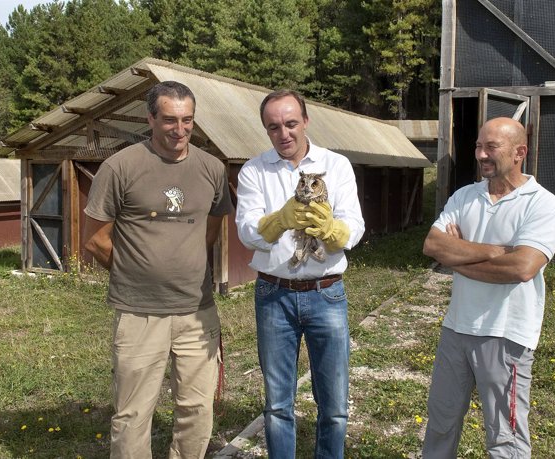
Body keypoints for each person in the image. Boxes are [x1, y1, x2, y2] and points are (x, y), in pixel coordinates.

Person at [82, 81, 234, 459]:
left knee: (198, 409)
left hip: (196, 311)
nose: (179, 130)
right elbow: (96, 240)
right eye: (169, 120)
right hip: (139, 313)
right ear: (150, 118)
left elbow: (211, 229)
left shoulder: (212, 168)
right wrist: (136, 273)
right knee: (133, 413)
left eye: (187, 120)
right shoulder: (120, 167)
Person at [421, 117, 555, 458]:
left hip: (506, 335)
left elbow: (522, 268)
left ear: (519, 152)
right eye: (477, 146)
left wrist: (458, 256)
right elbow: (432, 245)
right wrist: (496, 250)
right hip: (456, 328)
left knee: (505, 438)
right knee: (440, 425)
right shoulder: (464, 196)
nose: (480, 154)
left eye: (491, 147)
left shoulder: (542, 204)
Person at [235, 89, 365, 458]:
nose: (284, 134)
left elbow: (354, 225)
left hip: (327, 292)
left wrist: (334, 231)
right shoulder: (254, 170)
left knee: (336, 406)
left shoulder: (336, 166)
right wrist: (279, 221)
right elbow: (246, 231)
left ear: (306, 121)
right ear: (266, 129)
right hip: (274, 294)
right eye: (273, 127)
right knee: (277, 405)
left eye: (291, 123)